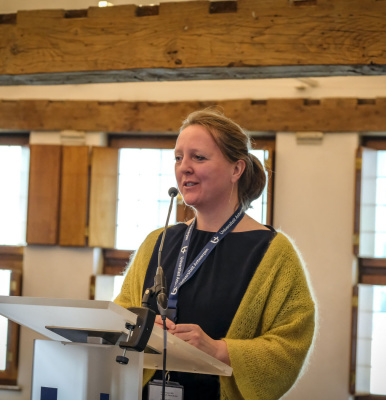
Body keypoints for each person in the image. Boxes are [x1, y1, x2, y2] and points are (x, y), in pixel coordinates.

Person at [114, 108, 316, 400]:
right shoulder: (157, 242)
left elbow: (290, 346)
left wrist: (220, 350)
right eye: (178, 157)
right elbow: (120, 316)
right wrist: (141, 326)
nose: (184, 167)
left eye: (198, 157)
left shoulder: (273, 252)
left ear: (236, 170)